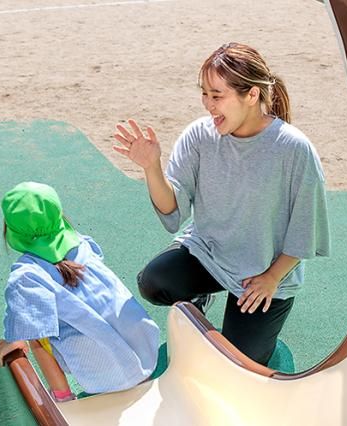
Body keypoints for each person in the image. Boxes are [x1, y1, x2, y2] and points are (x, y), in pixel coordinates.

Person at [112, 42, 330, 366]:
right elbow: (172, 211)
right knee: (153, 282)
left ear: (252, 95)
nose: (208, 105)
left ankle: (260, 335)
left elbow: (305, 231)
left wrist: (272, 278)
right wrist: (151, 167)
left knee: (239, 363)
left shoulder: (293, 148)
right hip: (210, 255)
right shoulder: (199, 136)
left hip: (264, 273)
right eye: (204, 94)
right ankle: (201, 293)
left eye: (217, 95)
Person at [0, 181, 160, 401]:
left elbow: (29, 332)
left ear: (10, 230)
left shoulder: (27, 276)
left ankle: (63, 397)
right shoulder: (82, 244)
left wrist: (14, 338)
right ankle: (134, 376)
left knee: (37, 334)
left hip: (102, 375)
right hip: (146, 351)